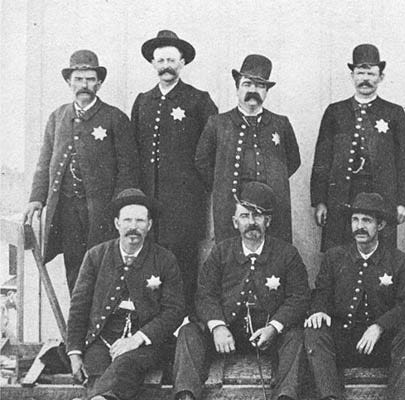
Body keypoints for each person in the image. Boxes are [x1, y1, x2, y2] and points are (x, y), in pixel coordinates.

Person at [172, 182, 309, 400]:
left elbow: (299, 297)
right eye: (245, 216)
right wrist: (217, 326)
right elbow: (205, 294)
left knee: (296, 337)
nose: (251, 222)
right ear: (235, 223)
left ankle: (285, 396)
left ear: (268, 221)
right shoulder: (221, 252)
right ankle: (186, 395)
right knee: (189, 332)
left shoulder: (287, 254)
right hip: (227, 335)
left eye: (258, 215)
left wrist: (274, 327)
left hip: (269, 336)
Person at [24, 49, 139, 292]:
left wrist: (120, 207)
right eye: (78, 79)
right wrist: (36, 198)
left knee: (103, 264)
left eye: (90, 79)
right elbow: (44, 162)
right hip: (67, 209)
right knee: (74, 265)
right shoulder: (58, 117)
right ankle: (77, 316)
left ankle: (101, 317)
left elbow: (128, 169)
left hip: (102, 211)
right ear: (69, 82)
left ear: (99, 83)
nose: (84, 85)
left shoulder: (114, 118)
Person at [66, 188, 185, 400]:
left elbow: (174, 311)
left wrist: (137, 339)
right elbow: (79, 307)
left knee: (126, 364)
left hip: (146, 342)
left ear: (149, 225)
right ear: (117, 224)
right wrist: (74, 353)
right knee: (96, 372)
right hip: (101, 339)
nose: (133, 227)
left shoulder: (165, 260)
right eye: (127, 220)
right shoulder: (95, 256)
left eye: (140, 221)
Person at [131, 30, 218, 313]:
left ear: (182, 63)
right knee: (149, 265)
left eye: (171, 60)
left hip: (185, 205)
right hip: (149, 202)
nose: (166, 65)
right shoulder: (143, 101)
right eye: (160, 60)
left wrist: (201, 189)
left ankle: (184, 324)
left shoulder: (198, 100)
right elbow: (134, 152)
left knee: (183, 266)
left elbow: (213, 149)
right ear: (153, 64)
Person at [304, 192, 405, 400]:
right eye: (355, 220)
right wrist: (319, 310)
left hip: (382, 343)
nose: (359, 226)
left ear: (380, 225)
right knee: (314, 329)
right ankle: (330, 396)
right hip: (345, 341)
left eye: (367, 220)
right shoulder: (334, 257)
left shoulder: (400, 261)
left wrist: (380, 326)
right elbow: (321, 292)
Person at [311, 43, 405, 251]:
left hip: (381, 196)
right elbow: (322, 160)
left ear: (380, 77)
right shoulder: (335, 112)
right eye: (360, 73)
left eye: (371, 73)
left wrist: (403, 202)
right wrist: (320, 201)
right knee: (340, 251)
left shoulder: (394, 113)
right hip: (342, 195)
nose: (365, 79)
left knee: (381, 252)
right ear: (352, 76)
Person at [195, 54, 300, 244]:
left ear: (266, 91)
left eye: (260, 85)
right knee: (231, 253)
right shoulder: (218, 124)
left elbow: (293, 161)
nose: (253, 90)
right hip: (231, 207)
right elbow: (202, 162)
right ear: (237, 88)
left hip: (272, 208)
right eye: (247, 84)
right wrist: (222, 185)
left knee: (275, 252)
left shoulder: (280, 123)